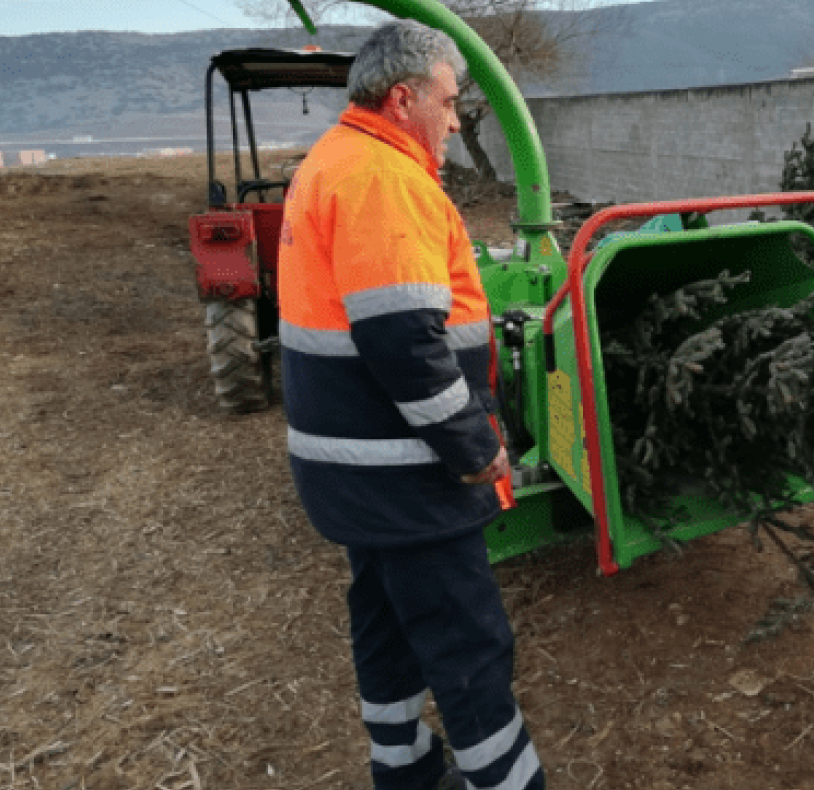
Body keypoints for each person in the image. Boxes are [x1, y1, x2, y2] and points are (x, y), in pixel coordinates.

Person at [278, 20, 542, 790]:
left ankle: (404, 767)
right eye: (449, 100)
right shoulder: (383, 180)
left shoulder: (334, 160)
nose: (456, 119)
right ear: (404, 99)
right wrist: (474, 448)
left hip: (354, 468)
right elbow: (405, 343)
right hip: (406, 475)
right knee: (467, 642)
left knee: (387, 621)